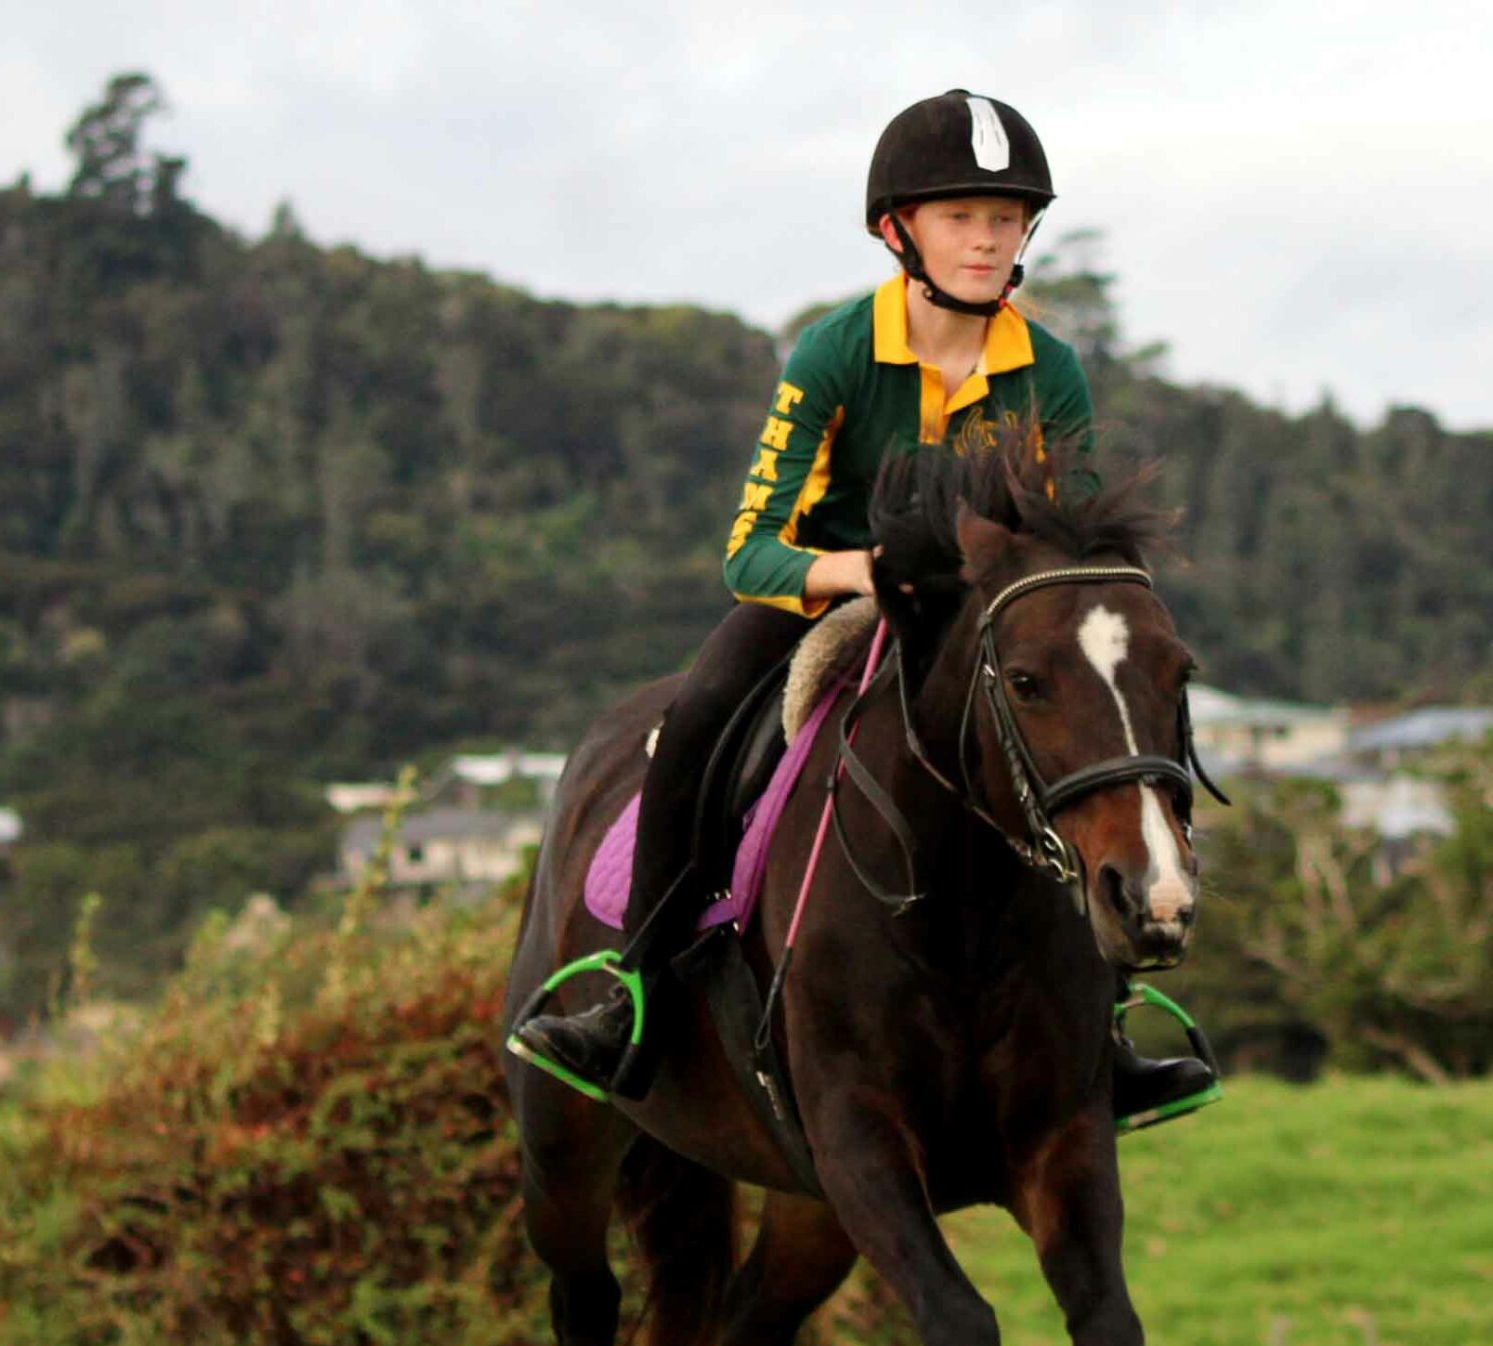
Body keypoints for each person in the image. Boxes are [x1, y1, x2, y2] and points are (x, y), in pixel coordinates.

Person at [512, 88, 1217, 1126]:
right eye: (960, 218)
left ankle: (1104, 1023)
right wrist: (864, 569)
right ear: (899, 231)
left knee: (1097, 738)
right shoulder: (834, 353)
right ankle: (638, 988)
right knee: (700, 714)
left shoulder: (1048, 368)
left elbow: (1067, 539)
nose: (986, 241)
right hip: (828, 598)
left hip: (983, 622)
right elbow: (749, 553)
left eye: (1006, 219)